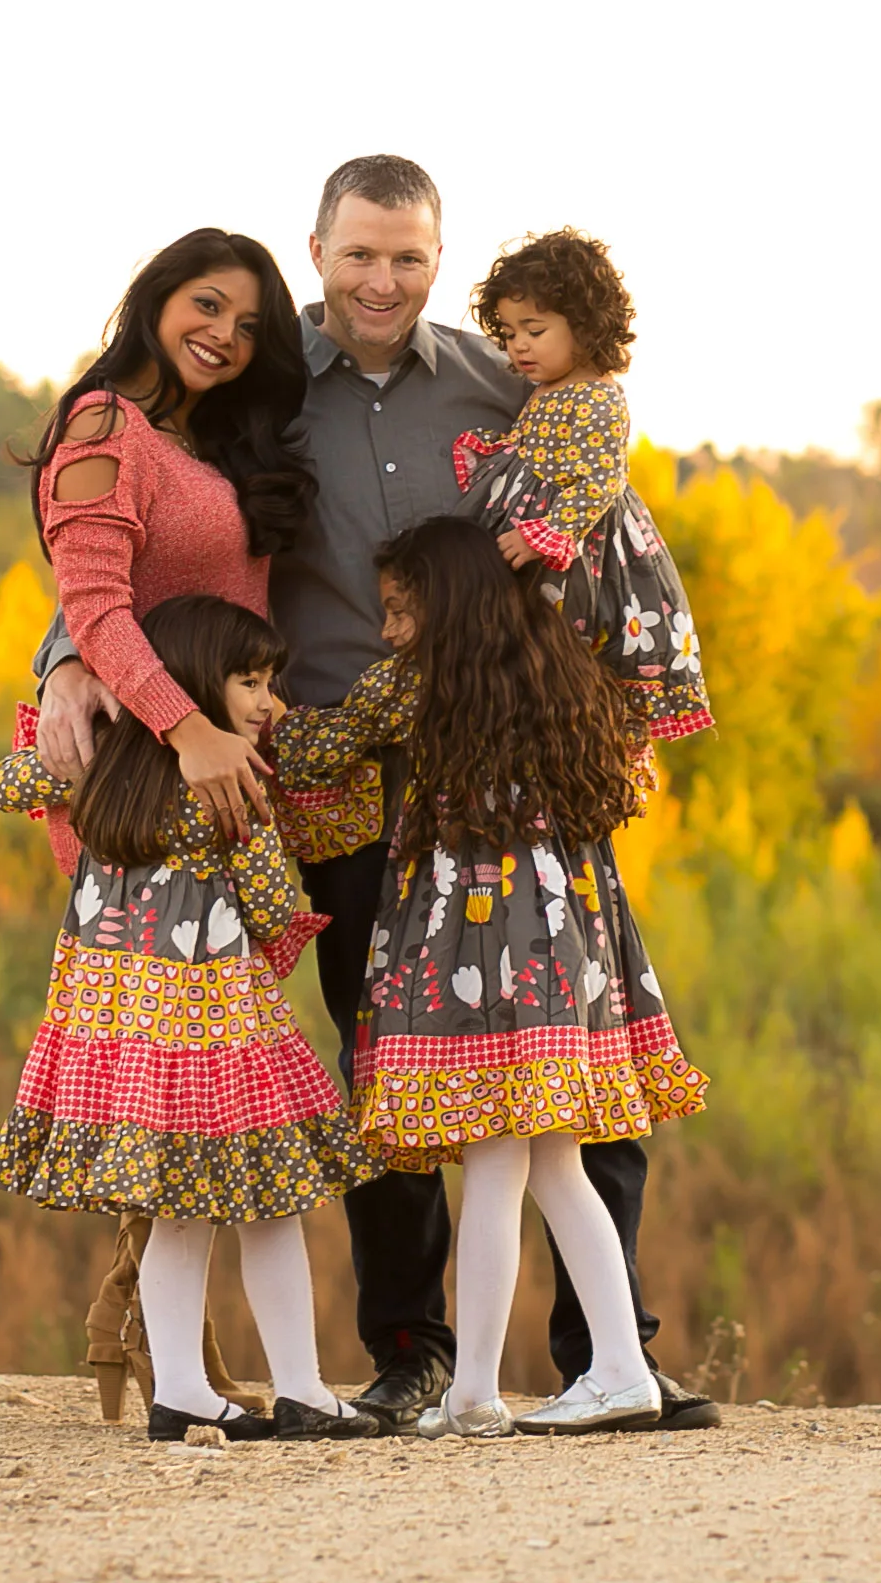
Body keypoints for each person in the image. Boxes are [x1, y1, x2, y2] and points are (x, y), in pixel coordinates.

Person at [35, 158, 719, 1431]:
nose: (382, 281)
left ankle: (602, 1351)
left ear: (437, 259)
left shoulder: (502, 378)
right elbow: (139, 542)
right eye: (359, 256)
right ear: (317, 249)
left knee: (576, 1069)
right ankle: (411, 1352)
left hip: (500, 781)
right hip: (329, 768)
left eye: (407, 257)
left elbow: (596, 494)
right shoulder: (258, 387)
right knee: (382, 1063)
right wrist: (69, 657)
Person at [272, 518, 708, 1435]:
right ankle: (617, 1366)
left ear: (445, 603)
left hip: (482, 952)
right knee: (551, 1164)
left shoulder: (413, 687)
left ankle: (475, 1391)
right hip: (565, 946)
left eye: (400, 609)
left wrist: (259, 718)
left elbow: (319, 749)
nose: (389, 629)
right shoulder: (558, 671)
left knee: (502, 1161)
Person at [0, 595, 379, 1441]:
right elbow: (272, 906)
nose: (268, 700)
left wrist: (76, 733)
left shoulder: (99, 773)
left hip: (117, 1033)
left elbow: (5, 780)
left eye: (270, 681)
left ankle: (183, 1394)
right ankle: (302, 1385)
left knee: (178, 1211)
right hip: (215, 1031)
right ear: (200, 683)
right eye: (250, 681)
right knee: (273, 1204)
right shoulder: (226, 787)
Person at [455, 228, 713, 743]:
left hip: (578, 549)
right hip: (533, 524)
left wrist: (544, 534)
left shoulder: (599, 396)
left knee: (557, 635)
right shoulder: (546, 388)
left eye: (535, 329)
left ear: (586, 327)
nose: (519, 345)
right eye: (508, 332)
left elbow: (599, 482)